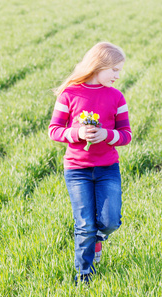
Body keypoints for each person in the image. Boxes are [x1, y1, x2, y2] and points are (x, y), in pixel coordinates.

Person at [48, 42, 132, 284]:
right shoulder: (70, 94)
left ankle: (96, 240)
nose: (118, 75)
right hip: (77, 170)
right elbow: (54, 131)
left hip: (107, 168)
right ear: (99, 66)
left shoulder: (116, 97)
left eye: (119, 70)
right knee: (84, 224)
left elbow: (126, 134)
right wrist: (77, 133)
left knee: (110, 221)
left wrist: (107, 135)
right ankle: (84, 275)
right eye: (114, 70)